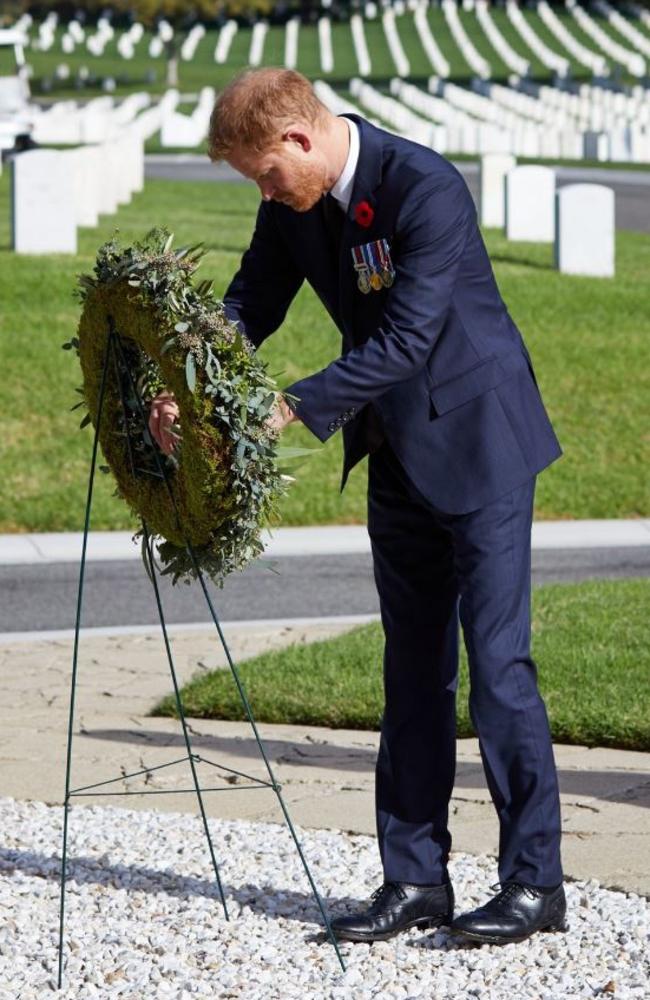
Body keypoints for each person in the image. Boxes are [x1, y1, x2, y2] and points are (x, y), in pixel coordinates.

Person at [149, 67, 568, 947]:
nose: (264, 192)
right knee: (411, 673)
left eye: (265, 173)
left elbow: (410, 337)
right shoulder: (292, 209)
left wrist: (293, 404)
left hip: (481, 445)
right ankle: (415, 878)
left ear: (300, 139)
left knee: (497, 670)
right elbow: (248, 304)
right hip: (395, 455)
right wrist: (190, 384)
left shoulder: (424, 186)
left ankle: (534, 883)